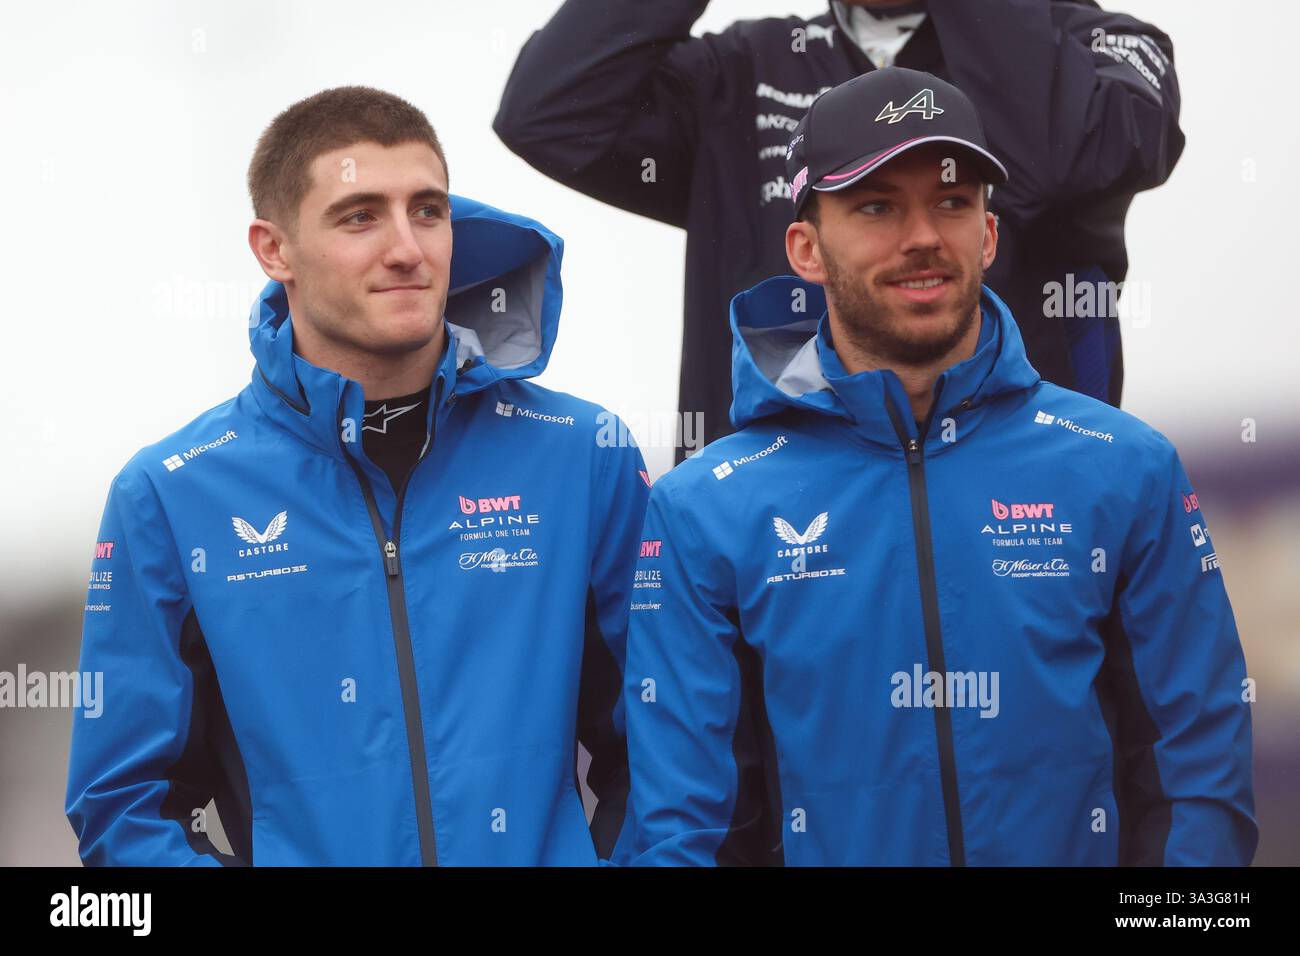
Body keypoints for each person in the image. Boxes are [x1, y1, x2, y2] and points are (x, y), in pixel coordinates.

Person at [619, 69, 1256, 866]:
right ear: (806, 249)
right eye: (878, 205)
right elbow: (688, 827)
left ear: (988, 235)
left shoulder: (1126, 467)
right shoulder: (704, 508)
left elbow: (1197, 775)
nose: (923, 235)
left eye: (952, 202)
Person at [66, 86, 648, 866]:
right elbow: (123, 807)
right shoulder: (170, 494)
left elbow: (665, 742)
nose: (408, 247)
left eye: (429, 211)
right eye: (360, 215)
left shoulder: (581, 453)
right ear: (275, 251)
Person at [494, 0, 1184, 461]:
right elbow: (547, 113)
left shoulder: (1099, 50)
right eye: (875, 203)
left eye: (948, 198)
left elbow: (1054, 167)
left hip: (1018, 529)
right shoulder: (746, 69)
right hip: (774, 554)